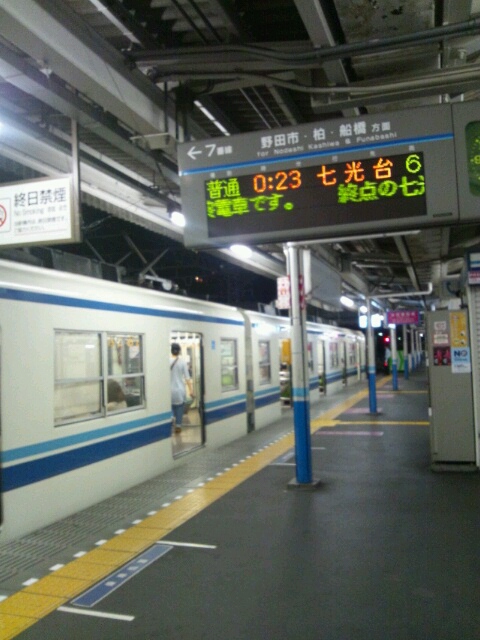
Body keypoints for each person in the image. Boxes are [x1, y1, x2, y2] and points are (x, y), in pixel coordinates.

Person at [170, 342, 194, 433]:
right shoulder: (183, 362)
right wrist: (191, 390)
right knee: (179, 408)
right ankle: (178, 426)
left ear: (171, 351)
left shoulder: (166, 361)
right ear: (179, 351)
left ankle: (171, 418)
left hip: (168, 390)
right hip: (179, 390)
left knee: (170, 407)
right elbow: (187, 378)